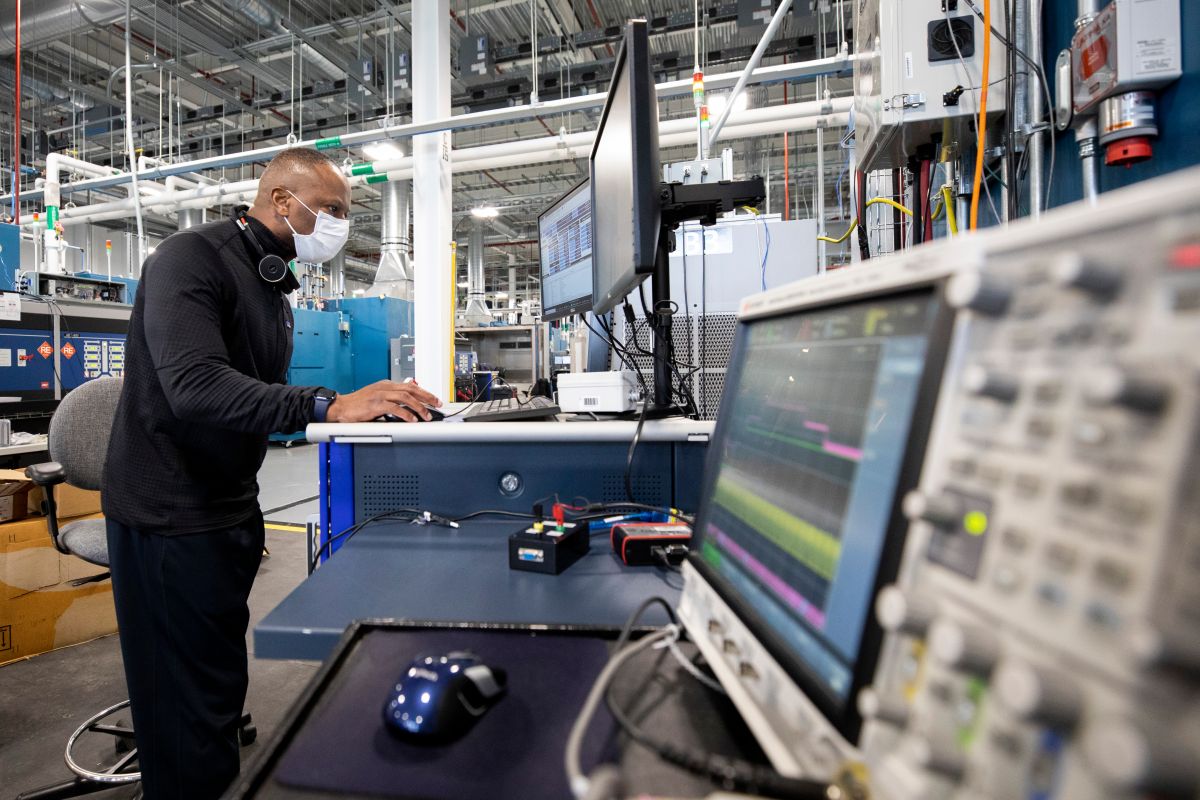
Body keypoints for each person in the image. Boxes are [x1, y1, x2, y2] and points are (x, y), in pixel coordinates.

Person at [101, 147, 440, 799]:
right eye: (333, 209)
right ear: (282, 200)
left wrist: (351, 409)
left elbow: (255, 392)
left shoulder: (273, 285)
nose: (340, 223)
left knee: (217, 686)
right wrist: (325, 404)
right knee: (184, 707)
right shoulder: (189, 260)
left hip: (227, 503)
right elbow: (196, 387)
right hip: (169, 512)